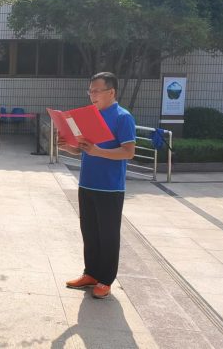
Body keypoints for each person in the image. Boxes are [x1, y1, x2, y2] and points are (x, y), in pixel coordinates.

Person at [58, 72, 136, 299]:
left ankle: (105, 280)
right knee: (90, 232)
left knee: (108, 235)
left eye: (96, 91)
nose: (92, 95)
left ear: (111, 92)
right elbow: (83, 149)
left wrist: (98, 151)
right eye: (90, 91)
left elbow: (128, 152)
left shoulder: (123, 117)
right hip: (87, 183)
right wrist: (67, 147)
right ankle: (91, 273)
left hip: (110, 188)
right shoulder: (89, 116)